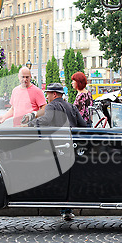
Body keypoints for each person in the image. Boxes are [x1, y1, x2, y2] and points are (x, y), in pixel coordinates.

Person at [25, 82, 86, 221]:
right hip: (72, 146)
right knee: (69, 179)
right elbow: (83, 125)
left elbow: (45, 120)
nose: (47, 96)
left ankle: (60, 207)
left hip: (58, 146)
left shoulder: (52, 106)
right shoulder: (71, 106)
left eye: (48, 94)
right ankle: (68, 210)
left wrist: (31, 124)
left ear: (54, 94)